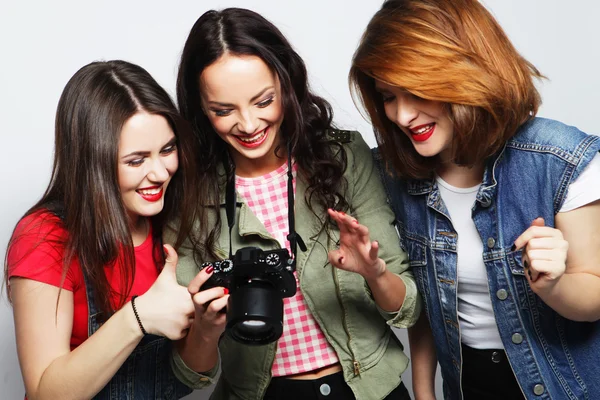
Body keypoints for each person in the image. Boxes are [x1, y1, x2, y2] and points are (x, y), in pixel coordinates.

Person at [167, 7, 422, 400]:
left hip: (368, 388)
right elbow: (191, 374)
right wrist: (204, 326)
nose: (249, 125)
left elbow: (407, 307)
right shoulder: (185, 195)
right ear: (201, 108)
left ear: (286, 82)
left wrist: (373, 271)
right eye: (223, 110)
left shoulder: (345, 157)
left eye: (263, 101)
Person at [349, 0, 600, 399]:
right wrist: (425, 391)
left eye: (415, 91)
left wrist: (552, 285)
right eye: (388, 96)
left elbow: (594, 297)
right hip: (467, 384)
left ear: (466, 72)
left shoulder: (560, 158)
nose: (401, 115)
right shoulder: (398, 172)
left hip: (563, 384)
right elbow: (426, 299)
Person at [4, 60, 212, 399]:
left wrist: (206, 329)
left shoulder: (170, 225)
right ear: (92, 163)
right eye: (136, 160)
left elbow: (188, 379)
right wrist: (137, 317)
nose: (160, 173)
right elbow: (46, 394)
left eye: (168, 149)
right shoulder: (44, 236)